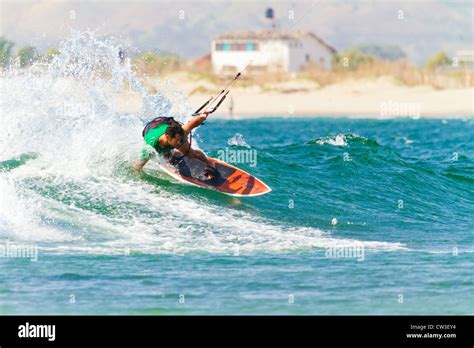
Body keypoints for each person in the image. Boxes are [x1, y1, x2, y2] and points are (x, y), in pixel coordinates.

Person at [133, 113, 217, 179]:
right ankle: (170, 153)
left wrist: (204, 115)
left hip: (167, 124)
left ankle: (209, 163)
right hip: (152, 127)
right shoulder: (150, 147)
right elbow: (137, 167)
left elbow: (195, 122)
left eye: (181, 139)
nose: (180, 142)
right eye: (178, 140)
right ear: (168, 137)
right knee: (166, 156)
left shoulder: (180, 134)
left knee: (190, 154)